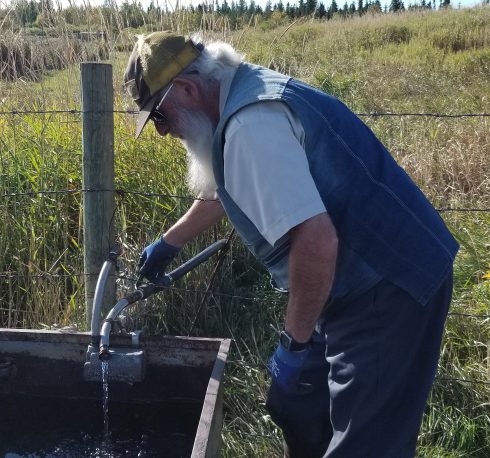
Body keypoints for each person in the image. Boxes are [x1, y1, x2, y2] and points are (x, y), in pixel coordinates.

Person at [124, 31, 459, 458]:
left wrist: (294, 344)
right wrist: (169, 242)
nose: (162, 131)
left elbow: (316, 242)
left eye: (159, 116)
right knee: (299, 408)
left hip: (389, 283)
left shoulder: (250, 126)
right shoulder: (240, 95)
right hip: (357, 277)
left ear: (187, 89)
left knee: (368, 442)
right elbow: (233, 186)